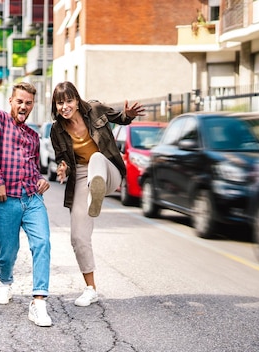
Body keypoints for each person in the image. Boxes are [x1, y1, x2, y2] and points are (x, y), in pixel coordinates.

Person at [50, 81, 145, 307]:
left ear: (77, 99)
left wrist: (128, 115)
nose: (65, 106)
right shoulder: (57, 130)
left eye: (69, 100)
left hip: (107, 168)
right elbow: (61, 158)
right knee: (78, 236)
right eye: (60, 102)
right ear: (55, 105)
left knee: (95, 159)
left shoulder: (95, 110)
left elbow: (120, 118)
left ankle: (97, 191)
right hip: (81, 177)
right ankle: (90, 288)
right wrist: (62, 168)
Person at [0, 82, 53, 327]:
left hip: (32, 197)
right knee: (8, 251)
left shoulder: (33, 136)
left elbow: (33, 167)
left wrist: (42, 180)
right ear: (11, 101)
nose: (24, 106)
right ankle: (5, 282)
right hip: (6, 198)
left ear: (33, 105)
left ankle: (39, 302)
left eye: (28, 103)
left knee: (42, 243)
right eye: (19, 101)